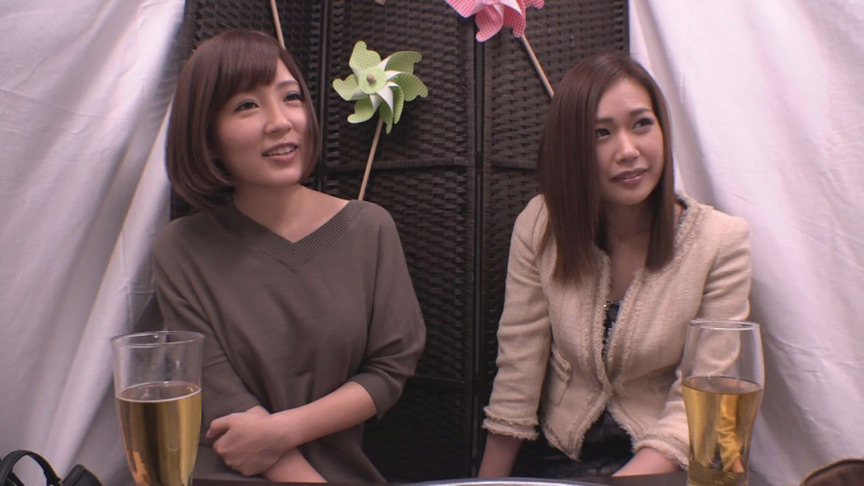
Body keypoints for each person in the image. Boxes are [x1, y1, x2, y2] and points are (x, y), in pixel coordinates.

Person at [151, 30, 426, 483]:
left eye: (291, 97)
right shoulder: (180, 247)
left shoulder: (369, 228)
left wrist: (283, 431)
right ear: (207, 133)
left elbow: (390, 368)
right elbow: (218, 395)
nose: (280, 122)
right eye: (247, 105)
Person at [478, 52, 752, 478]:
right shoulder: (541, 225)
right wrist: (485, 483)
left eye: (641, 124)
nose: (627, 151)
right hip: (560, 457)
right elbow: (518, 371)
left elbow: (702, 397)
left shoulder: (721, 242)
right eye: (600, 133)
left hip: (668, 460)